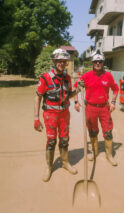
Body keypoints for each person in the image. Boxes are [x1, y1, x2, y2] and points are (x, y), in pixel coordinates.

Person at [34, 48, 79, 182]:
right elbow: (38, 97)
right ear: (54, 61)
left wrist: (78, 90)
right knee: (51, 141)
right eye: (59, 61)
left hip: (65, 114)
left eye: (64, 61)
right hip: (50, 115)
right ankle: (49, 167)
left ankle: (65, 162)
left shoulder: (68, 78)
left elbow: (69, 95)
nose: (61, 63)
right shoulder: (45, 78)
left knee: (64, 140)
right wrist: (36, 118)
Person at [73, 50, 119, 166]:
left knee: (108, 133)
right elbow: (75, 87)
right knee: (93, 132)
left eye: (100, 61)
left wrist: (113, 102)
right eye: (95, 62)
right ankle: (94, 152)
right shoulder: (86, 76)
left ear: (103, 62)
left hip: (104, 108)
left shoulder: (108, 75)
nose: (97, 63)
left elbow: (115, 88)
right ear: (92, 63)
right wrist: (76, 102)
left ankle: (109, 155)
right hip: (90, 108)